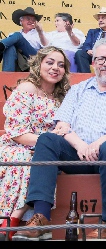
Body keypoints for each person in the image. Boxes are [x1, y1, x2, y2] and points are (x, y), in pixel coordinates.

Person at [12, 39, 106, 241]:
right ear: (93, 62)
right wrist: (80, 145)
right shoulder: (77, 90)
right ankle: (41, 217)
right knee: (47, 139)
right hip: (77, 154)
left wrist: (101, 142)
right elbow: (63, 125)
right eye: (101, 59)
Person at [0, 46, 71, 241]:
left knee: (40, 157)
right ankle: (10, 221)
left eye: (61, 65)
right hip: (19, 145)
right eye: (49, 62)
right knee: (27, 159)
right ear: (38, 64)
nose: (55, 68)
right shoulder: (27, 89)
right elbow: (17, 132)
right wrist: (47, 143)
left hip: (49, 148)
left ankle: (12, 223)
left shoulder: (63, 96)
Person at [74, 7, 106, 73]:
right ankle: (86, 77)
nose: (100, 20)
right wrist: (88, 50)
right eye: (99, 18)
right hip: (94, 55)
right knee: (80, 53)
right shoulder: (92, 32)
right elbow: (86, 44)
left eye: (103, 18)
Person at [0, 7, 44, 72]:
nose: (31, 21)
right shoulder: (12, 35)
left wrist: (40, 32)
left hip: (34, 59)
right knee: (10, 47)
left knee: (17, 36)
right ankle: (7, 76)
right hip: (19, 59)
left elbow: (46, 50)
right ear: (21, 21)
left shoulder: (40, 34)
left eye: (33, 20)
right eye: (28, 19)